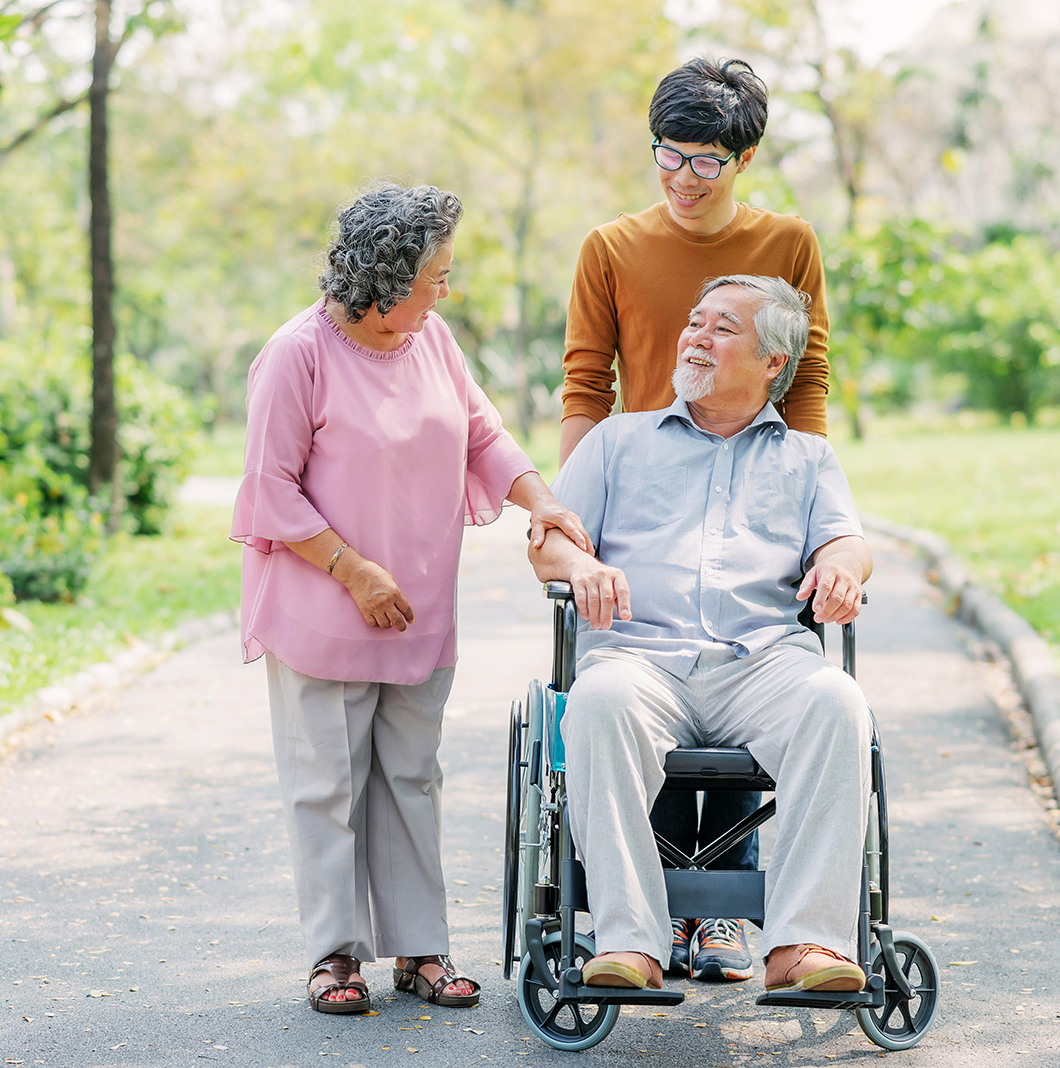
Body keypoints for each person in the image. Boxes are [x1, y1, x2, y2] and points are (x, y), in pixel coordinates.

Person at [231, 182, 590, 1016]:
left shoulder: (433, 341)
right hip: (325, 607)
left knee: (410, 777)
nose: (444, 291)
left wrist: (539, 498)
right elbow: (268, 489)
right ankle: (334, 956)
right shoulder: (299, 353)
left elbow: (483, 433)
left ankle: (421, 949)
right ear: (387, 278)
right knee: (327, 783)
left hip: (417, 605)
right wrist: (352, 568)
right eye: (436, 276)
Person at [558, 56, 835, 982]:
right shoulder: (611, 245)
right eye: (665, 155)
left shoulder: (787, 243)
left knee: (772, 685)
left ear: (743, 159)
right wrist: (572, 522)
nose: (681, 175)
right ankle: (643, 931)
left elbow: (809, 381)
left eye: (703, 161)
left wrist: (804, 502)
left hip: (748, 472)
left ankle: (738, 924)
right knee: (631, 693)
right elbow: (584, 383)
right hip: (640, 483)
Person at [530, 274, 872, 995]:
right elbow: (546, 543)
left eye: (721, 328)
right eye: (694, 323)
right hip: (638, 659)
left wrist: (840, 565)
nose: (695, 337)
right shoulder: (616, 442)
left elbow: (847, 542)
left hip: (762, 665)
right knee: (597, 702)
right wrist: (580, 562)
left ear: (774, 362)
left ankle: (804, 944)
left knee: (839, 703)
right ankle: (630, 942)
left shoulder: (808, 459)